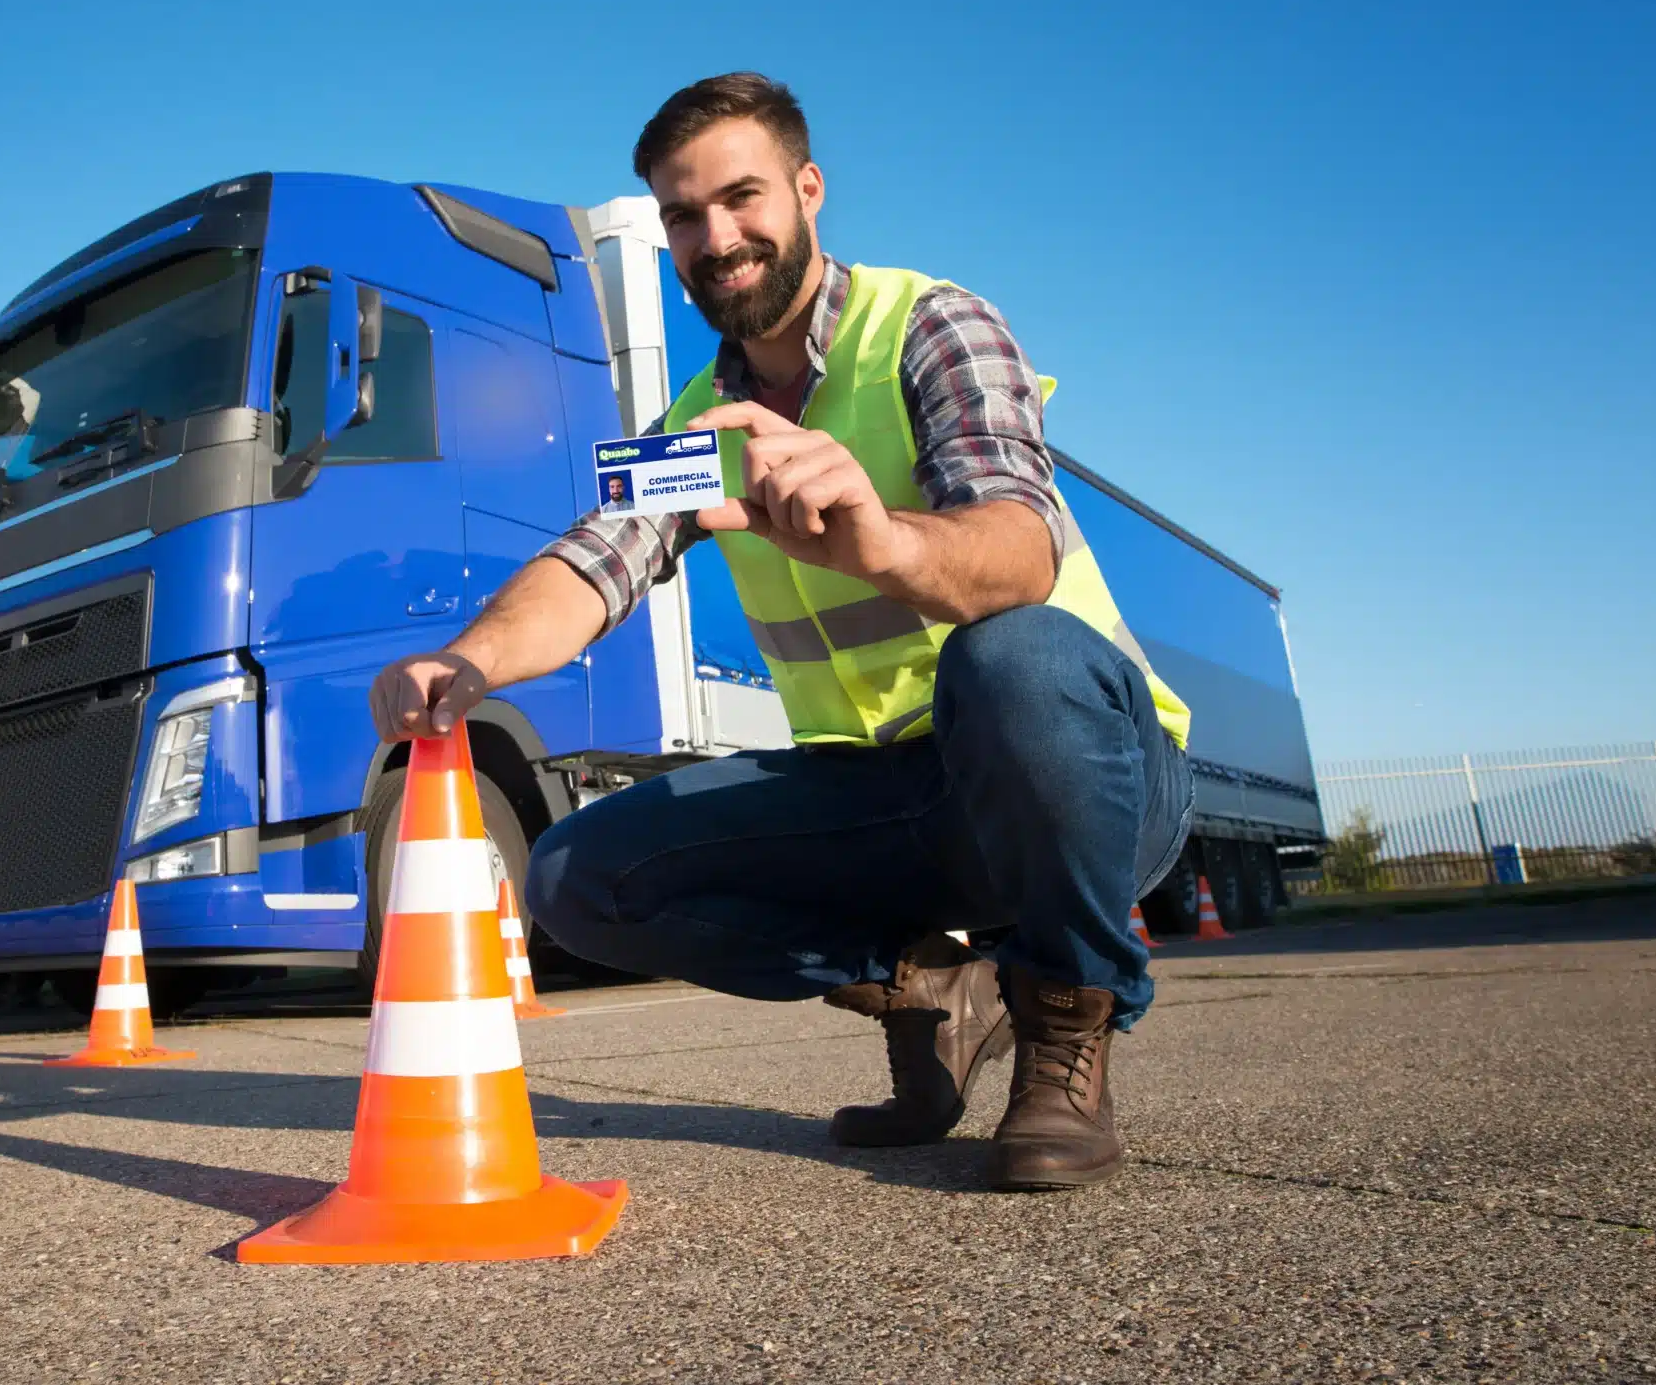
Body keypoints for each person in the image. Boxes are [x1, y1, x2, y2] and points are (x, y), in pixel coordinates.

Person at [368, 73, 1194, 1190]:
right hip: (882, 797)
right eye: (682, 214)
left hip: (1077, 780)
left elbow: (1018, 546)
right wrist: (467, 658)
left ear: (808, 190)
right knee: (577, 877)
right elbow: (590, 564)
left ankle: (1061, 1023)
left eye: (742, 197)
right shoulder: (695, 427)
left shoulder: (932, 324)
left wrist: (884, 544)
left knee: (1014, 654)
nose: (717, 236)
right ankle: (929, 987)